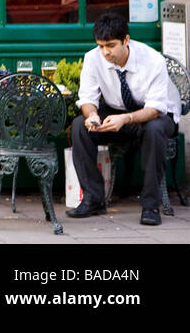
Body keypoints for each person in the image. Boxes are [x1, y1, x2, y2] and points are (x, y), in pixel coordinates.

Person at [67, 11, 180, 225]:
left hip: (157, 115)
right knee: (80, 126)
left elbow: (155, 108)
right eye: (101, 46)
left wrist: (125, 119)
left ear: (126, 40)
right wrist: (92, 116)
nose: (105, 52)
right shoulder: (93, 58)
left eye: (110, 46)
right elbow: (88, 98)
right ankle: (93, 199)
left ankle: (150, 206)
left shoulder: (153, 60)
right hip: (117, 111)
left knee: (154, 130)